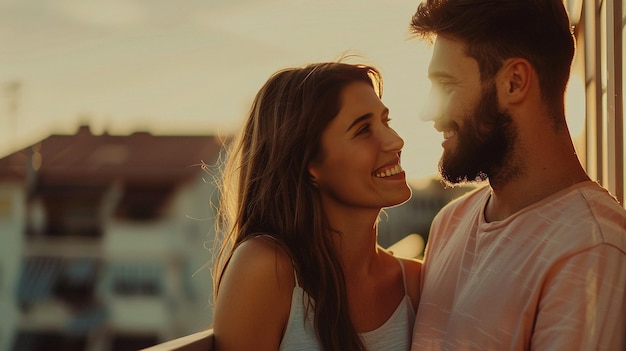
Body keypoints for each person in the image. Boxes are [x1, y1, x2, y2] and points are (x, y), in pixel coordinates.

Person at [408, 0, 626, 350]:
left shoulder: (590, 249)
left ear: (514, 82)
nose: (427, 112)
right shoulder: (449, 223)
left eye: (446, 86)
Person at [210, 61, 421, 351]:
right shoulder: (265, 268)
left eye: (386, 121)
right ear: (309, 163)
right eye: (363, 130)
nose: (395, 141)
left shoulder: (415, 283)